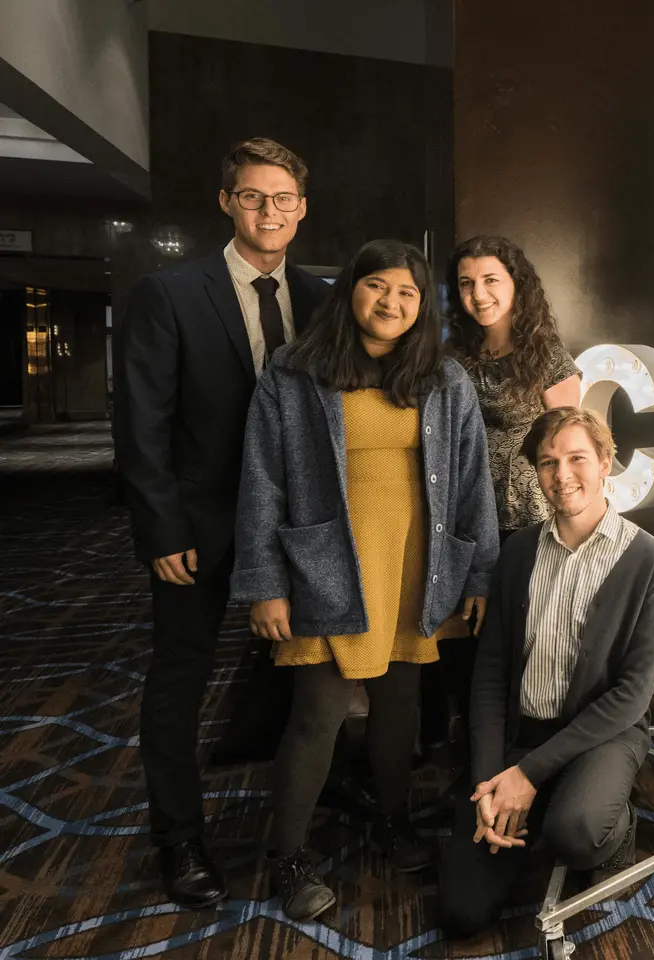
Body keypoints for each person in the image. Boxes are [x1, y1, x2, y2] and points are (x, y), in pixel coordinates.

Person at [231, 239, 498, 921]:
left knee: (400, 703)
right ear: (350, 288)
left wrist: (480, 573)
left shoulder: (445, 378)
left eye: (408, 292)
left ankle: (392, 820)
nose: (391, 302)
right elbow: (261, 483)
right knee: (317, 712)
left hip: (415, 564)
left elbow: (474, 485)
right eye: (378, 285)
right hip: (326, 567)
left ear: (422, 306)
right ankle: (289, 857)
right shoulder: (295, 373)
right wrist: (265, 584)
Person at [112, 138, 331, 908]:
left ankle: (302, 819)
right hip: (198, 527)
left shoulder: (322, 299)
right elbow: (141, 425)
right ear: (226, 202)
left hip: (298, 526)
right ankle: (179, 838)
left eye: (282, 198)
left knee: (312, 673)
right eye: (252, 196)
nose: (268, 211)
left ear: (301, 208)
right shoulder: (170, 293)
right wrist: (161, 530)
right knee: (181, 678)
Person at [438, 407, 654, 940]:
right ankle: (538, 807)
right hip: (524, 734)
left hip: (602, 737)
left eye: (576, 458)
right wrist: (489, 783)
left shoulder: (651, 560)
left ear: (605, 463)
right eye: (548, 462)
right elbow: (490, 674)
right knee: (461, 913)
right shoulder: (518, 551)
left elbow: (632, 696)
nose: (562, 475)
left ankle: (609, 820)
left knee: (576, 832)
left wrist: (526, 776)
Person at [430, 237, 584, 762]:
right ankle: (472, 752)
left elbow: (567, 452)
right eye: (467, 283)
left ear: (517, 284)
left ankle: (520, 757)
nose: (479, 294)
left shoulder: (549, 358)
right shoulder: (452, 356)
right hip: (462, 514)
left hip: (525, 518)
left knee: (522, 640)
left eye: (491, 280)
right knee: (466, 639)